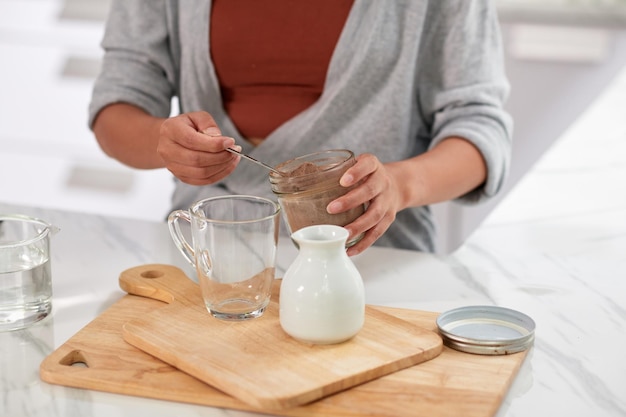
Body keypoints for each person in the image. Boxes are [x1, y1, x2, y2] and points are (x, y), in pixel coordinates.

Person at [89, 0, 512, 256]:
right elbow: (116, 109)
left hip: (377, 265)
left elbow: (480, 129)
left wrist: (400, 185)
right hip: (208, 260)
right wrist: (166, 143)